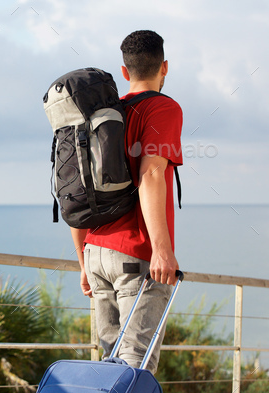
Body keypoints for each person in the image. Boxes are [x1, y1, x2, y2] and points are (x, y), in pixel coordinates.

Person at [71, 30, 183, 374]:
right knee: (135, 367)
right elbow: (150, 174)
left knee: (111, 364)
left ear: (124, 72)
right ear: (165, 67)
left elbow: (77, 188)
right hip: (136, 254)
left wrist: (83, 261)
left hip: (95, 252)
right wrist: (162, 251)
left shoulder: (102, 117)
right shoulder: (163, 108)